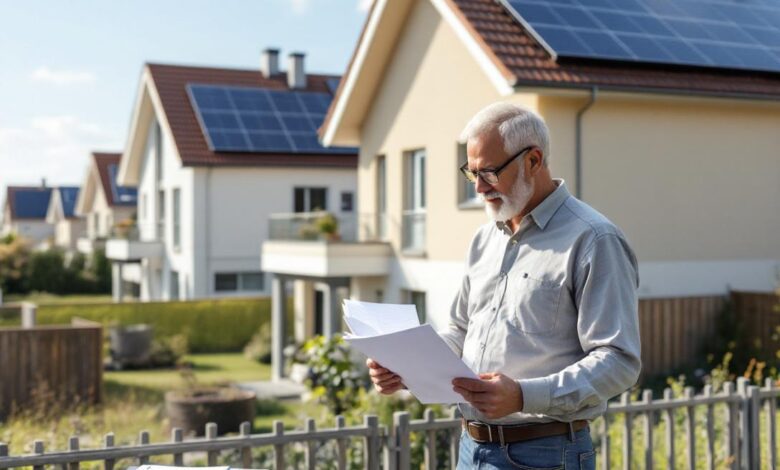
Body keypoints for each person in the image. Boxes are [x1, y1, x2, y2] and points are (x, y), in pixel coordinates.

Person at [366, 102, 641, 469]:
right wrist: (407, 367)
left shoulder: (594, 240)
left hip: (547, 454)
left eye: (490, 173)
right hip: (471, 447)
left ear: (533, 160)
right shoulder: (483, 240)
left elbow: (619, 361)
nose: (479, 188)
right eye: (472, 173)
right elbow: (460, 332)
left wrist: (524, 396)